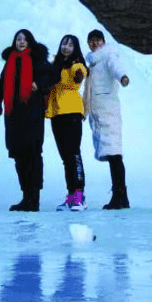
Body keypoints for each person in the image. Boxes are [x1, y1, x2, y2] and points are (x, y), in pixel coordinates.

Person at [0, 28, 54, 212]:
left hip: (33, 113)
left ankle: (34, 198)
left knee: (33, 154)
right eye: (18, 39)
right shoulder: (10, 61)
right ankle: (25, 196)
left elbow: (52, 75)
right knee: (19, 156)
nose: (21, 41)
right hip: (14, 115)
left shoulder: (37, 59)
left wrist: (39, 84)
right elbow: (2, 83)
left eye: (24, 39)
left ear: (30, 41)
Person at [83, 28, 130, 209]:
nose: (95, 43)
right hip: (99, 115)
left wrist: (123, 77)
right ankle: (119, 195)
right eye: (91, 40)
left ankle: (120, 196)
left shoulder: (108, 56)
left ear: (103, 42)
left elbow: (116, 67)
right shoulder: (93, 64)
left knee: (115, 155)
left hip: (108, 113)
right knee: (112, 156)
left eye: (98, 40)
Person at [46, 34, 88, 211]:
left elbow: (79, 75)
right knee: (66, 158)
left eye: (70, 45)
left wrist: (77, 70)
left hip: (72, 112)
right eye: (64, 43)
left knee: (73, 155)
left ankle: (79, 196)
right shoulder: (55, 65)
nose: (66, 47)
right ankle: (71, 196)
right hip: (56, 113)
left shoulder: (76, 63)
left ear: (75, 48)